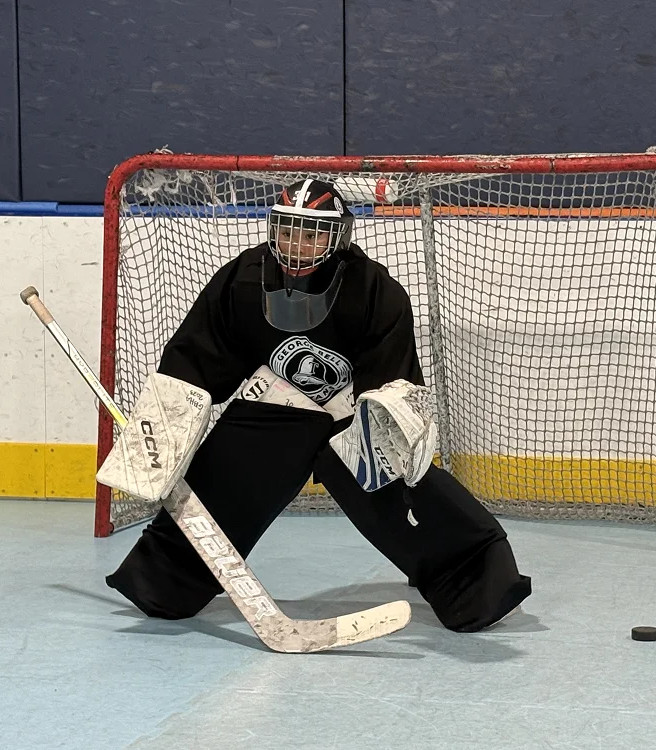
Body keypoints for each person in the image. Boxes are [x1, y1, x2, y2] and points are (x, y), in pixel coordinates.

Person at [105, 178, 531, 632]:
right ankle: (165, 582)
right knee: (217, 488)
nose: (298, 245)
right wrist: (162, 429)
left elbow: (394, 380)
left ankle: (475, 585)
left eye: (312, 234)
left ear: (339, 236)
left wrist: (391, 436)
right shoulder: (243, 280)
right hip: (275, 408)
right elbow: (195, 358)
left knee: (402, 492)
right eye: (288, 230)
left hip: (351, 416)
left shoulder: (374, 291)